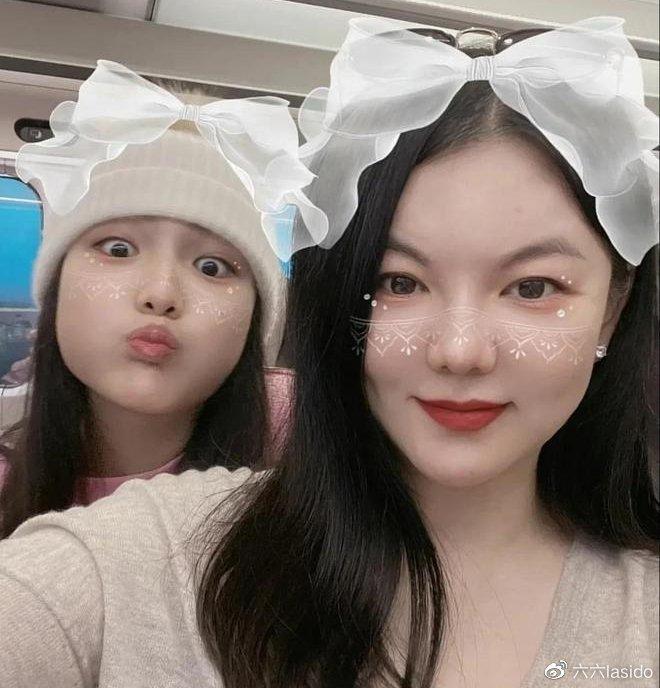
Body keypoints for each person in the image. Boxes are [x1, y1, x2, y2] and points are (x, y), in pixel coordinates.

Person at [0, 17, 658, 688]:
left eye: (533, 287)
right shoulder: (145, 560)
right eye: (399, 283)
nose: (460, 352)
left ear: (613, 306)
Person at [0, 61, 310, 536]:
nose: (161, 294)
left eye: (212, 267)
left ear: (256, 316)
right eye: (118, 250)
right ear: (56, 285)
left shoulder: (305, 438)